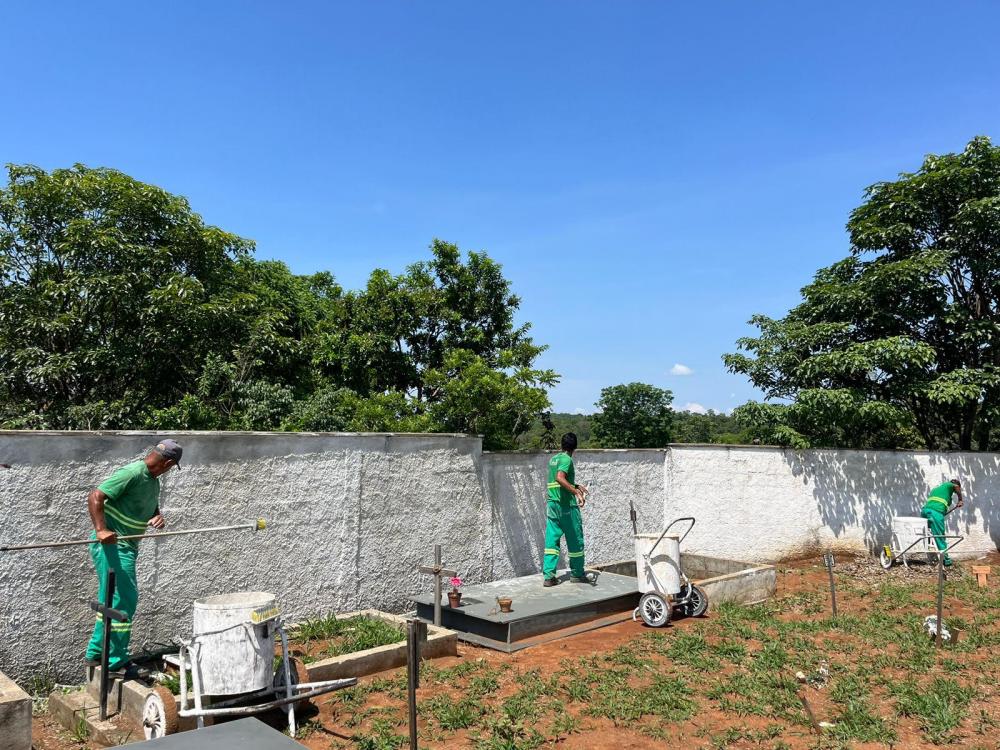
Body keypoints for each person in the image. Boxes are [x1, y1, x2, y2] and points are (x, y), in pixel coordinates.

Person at [85, 440, 182, 676]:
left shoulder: (153, 481)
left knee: (111, 600)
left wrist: (157, 516)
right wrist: (101, 530)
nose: (170, 470)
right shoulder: (133, 472)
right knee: (125, 600)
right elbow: (95, 496)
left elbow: (149, 506)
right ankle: (115, 661)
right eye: (172, 466)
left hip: (127, 546)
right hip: (113, 545)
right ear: (168, 463)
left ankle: (96, 653)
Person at [542, 432, 593, 586]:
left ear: (561, 445)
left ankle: (549, 577)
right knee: (575, 539)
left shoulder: (554, 459)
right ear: (575, 447)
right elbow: (560, 478)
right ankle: (577, 574)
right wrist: (576, 492)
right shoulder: (566, 459)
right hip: (566, 506)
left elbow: (558, 481)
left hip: (553, 505)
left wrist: (576, 485)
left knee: (552, 540)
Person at [921, 478, 963, 567]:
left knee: (929, 536)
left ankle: (932, 557)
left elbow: (938, 504)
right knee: (940, 536)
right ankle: (945, 560)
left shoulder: (936, 489)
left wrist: (941, 514)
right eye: (955, 491)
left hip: (925, 511)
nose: (955, 492)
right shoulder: (949, 485)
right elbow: (956, 486)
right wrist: (960, 499)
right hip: (935, 513)